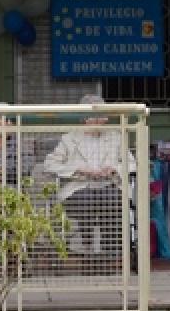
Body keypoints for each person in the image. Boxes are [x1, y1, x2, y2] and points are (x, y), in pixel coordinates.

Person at [42, 95, 133, 264]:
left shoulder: (116, 136)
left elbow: (133, 163)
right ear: (85, 117)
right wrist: (78, 170)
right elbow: (49, 164)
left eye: (104, 116)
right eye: (98, 116)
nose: (103, 120)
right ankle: (85, 246)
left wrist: (115, 168)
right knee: (88, 199)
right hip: (79, 188)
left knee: (114, 199)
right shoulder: (69, 139)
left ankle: (111, 251)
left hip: (109, 185)